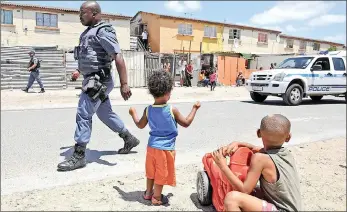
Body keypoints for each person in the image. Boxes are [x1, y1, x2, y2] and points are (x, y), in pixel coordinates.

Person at [57, 1, 140, 172]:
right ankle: (129, 138)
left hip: (99, 80)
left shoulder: (104, 31)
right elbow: (89, 56)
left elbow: (117, 55)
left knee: (83, 112)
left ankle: (79, 155)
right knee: (104, 113)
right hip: (91, 78)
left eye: (83, 12)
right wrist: (78, 71)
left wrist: (125, 84)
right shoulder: (87, 33)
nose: (80, 15)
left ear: (94, 13)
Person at [128, 70, 201, 205]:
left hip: (151, 148)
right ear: (168, 93)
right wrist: (195, 108)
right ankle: (157, 198)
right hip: (165, 149)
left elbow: (140, 125)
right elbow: (186, 123)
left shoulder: (148, 110)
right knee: (161, 174)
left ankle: (148, 193)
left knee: (151, 172)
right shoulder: (172, 110)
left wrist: (133, 113)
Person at [212, 114, 301, 212]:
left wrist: (223, 166)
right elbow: (256, 148)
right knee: (256, 191)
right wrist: (238, 143)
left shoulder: (260, 159)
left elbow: (245, 190)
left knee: (232, 199)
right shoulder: (286, 154)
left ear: (259, 133)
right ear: (288, 137)